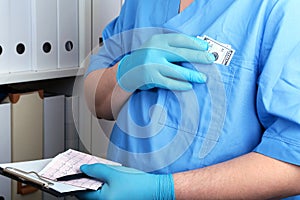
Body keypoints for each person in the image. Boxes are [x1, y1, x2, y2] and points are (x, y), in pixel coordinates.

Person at [81, 0, 300, 199]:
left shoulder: (281, 8)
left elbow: (293, 164)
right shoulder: (141, 4)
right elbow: (98, 103)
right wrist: (125, 72)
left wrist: (162, 190)